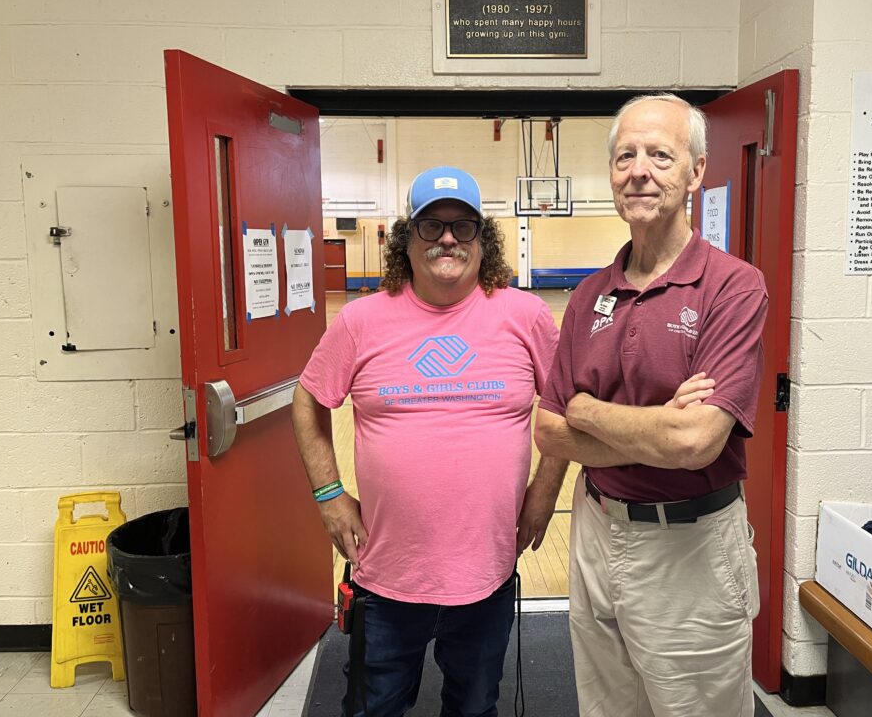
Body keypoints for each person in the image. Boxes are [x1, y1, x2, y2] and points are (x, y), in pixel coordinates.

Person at [292, 165, 564, 717]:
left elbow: (564, 406)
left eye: (463, 227)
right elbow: (308, 400)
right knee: (376, 708)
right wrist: (328, 494)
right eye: (430, 225)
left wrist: (544, 489)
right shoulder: (361, 321)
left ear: (481, 239)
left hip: (486, 576)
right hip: (388, 577)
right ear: (405, 239)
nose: (447, 238)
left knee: (473, 707)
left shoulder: (526, 316)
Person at [534, 94, 769, 717]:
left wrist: (587, 408)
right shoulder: (589, 294)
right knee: (608, 707)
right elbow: (549, 430)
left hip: (687, 546)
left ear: (695, 172)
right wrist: (660, 423)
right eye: (625, 156)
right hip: (595, 531)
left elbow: (695, 444)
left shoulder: (733, 286)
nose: (639, 170)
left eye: (660, 155)